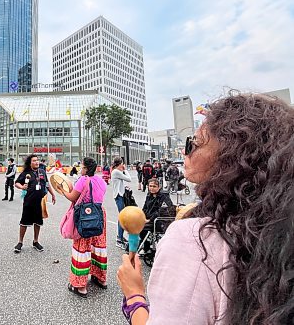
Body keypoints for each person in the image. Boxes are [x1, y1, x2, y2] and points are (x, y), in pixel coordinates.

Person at [116, 93, 294, 324]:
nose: (184, 151)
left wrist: (134, 296)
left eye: (193, 143)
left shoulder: (194, 239)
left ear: (229, 158)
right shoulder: (278, 225)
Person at [56, 157, 108, 297]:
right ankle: (100, 279)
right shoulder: (101, 181)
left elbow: (73, 197)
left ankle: (80, 286)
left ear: (85, 169)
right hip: (99, 214)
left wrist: (62, 190)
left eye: (82, 167)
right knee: (99, 247)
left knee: (82, 249)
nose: (80, 169)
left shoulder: (83, 180)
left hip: (85, 216)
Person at [14, 154, 56, 253]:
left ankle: (35, 241)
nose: (36, 162)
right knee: (24, 222)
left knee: (38, 222)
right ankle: (20, 242)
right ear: (30, 163)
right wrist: (22, 187)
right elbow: (17, 182)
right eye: (34, 160)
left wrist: (53, 194)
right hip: (29, 201)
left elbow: (46, 184)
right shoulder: (26, 173)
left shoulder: (42, 172)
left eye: (37, 160)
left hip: (40, 201)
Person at [138, 178, 174, 252]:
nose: (152, 188)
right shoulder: (149, 195)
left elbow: (162, 211)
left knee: (142, 228)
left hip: (160, 221)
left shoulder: (164, 197)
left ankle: (146, 248)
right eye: (150, 186)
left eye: (154, 186)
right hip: (149, 219)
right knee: (135, 224)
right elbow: (144, 208)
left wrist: (149, 220)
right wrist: (141, 217)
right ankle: (140, 246)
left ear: (159, 187)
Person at [110, 156, 132, 249]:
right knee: (122, 217)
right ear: (120, 164)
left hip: (120, 195)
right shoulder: (116, 172)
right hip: (118, 196)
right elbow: (129, 179)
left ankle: (120, 236)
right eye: (122, 163)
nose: (123, 165)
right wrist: (125, 170)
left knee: (122, 216)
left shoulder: (116, 172)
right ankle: (119, 238)